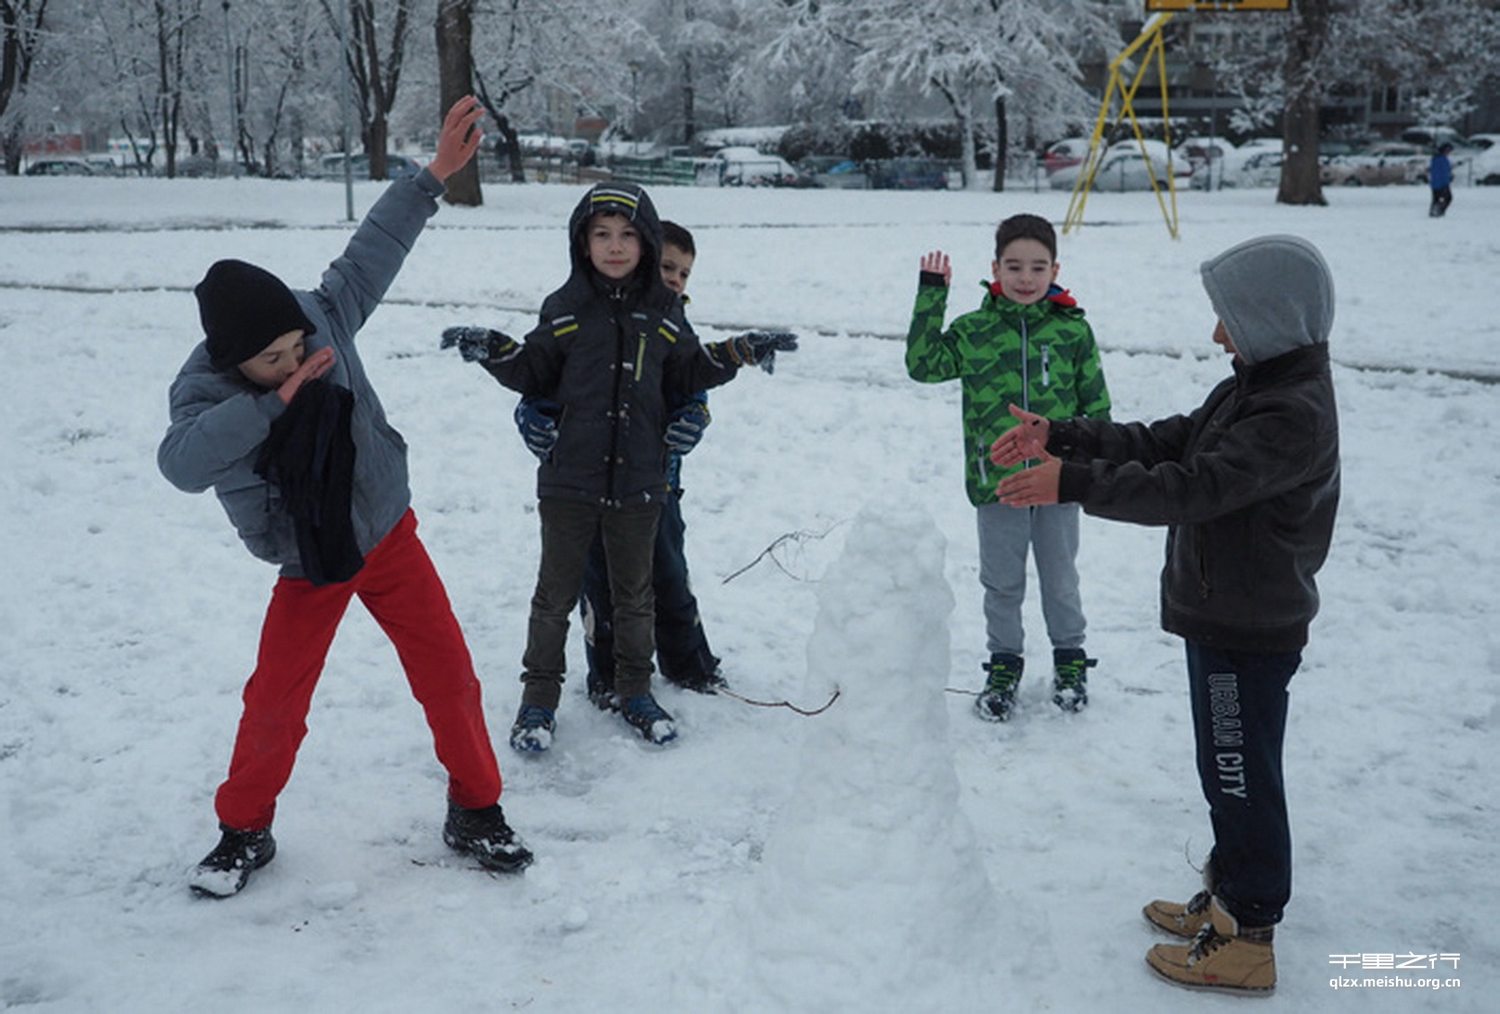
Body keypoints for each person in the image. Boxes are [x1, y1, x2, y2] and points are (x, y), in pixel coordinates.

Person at [158, 98, 532, 898]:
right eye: (273, 359)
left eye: (299, 346)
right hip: (310, 560)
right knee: (275, 703)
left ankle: (476, 809)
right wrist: (273, 404)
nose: (296, 360)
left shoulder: (322, 318)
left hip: (388, 535)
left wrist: (432, 176)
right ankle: (243, 831)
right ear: (235, 364)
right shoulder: (205, 395)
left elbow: (372, 253)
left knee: (450, 677)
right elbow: (182, 465)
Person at [992, 234, 1339, 994]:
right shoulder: (1254, 385)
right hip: (1226, 615)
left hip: (1247, 628)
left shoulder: (1290, 413)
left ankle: (1249, 933)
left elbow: (1193, 486)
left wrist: (1070, 482)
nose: (1218, 335)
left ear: (1271, 318)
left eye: (1230, 319)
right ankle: (1228, 899)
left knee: (1241, 775)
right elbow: (1171, 441)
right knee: (1228, 770)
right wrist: (1066, 435)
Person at [440, 183, 796, 752]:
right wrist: (496, 349)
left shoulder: (663, 313)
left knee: (636, 596)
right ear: (582, 241)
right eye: (601, 234)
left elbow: (688, 373)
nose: (614, 246)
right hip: (569, 483)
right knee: (553, 598)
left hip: (639, 483)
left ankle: (636, 691)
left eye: (628, 234)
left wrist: (740, 351)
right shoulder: (566, 309)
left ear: (647, 242)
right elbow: (535, 371)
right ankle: (538, 702)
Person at [905, 213, 1111, 722]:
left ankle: (1070, 658)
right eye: (1014, 266)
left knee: (1060, 577)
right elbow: (923, 365)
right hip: (996, 482)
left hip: (1057, 481)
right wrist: (932, 296)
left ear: (1055, 269)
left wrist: (1084, 468)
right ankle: (1004, 662)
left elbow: (1097, 409)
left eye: (1037, 267)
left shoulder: (1072, 331)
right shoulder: (975, 332)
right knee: (1001, 582)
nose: (1025, 278)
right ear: (994, 268)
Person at [514, 220, 725, 710]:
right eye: (668, 266)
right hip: (585, 482)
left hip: (654, 483)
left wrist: (696, 414)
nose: (675, 279)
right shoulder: (580, 311)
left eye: (685, 273)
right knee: (598, 582)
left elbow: (692, 384)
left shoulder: (671, 319)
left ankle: (688, 661)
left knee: (667, 573)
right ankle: (607, 675)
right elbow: (544, 379)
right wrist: (529, 413)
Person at [1428, 142, 1454, 217]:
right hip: (1441, 183)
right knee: (1448, 198)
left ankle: (1434, 211)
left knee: (1436, 199)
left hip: (1436, 183)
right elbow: (1442, 172)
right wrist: (1448, 178)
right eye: (1448, 151)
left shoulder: (1437, 158)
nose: (1449, 153)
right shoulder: (1441, 159)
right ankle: (1438, 211)